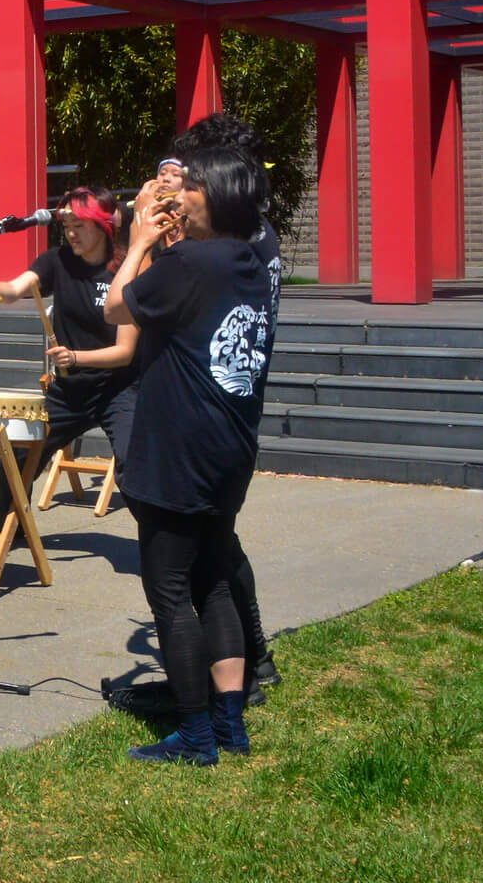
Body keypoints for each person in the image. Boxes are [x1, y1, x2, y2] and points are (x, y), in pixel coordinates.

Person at [104, 145, 274, 765]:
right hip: (228, 449)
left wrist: (139, 239)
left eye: (190, 188)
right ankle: (231, 724)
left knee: (171, 592)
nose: (179, 196)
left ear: (216, 198)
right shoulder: (250, 260)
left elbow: (116, 306)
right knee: (215, 582)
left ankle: (196, 735)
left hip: (177, 450)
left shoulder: (190, 262)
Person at [0, 187, 139, 531]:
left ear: (103, 226)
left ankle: (162, 541)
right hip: (69, 390)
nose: (71, 234)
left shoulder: (125, 269)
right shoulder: (57, 261)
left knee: (134, 464)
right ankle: (10, 527)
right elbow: (16, 288)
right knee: (17, 454)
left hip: (118, 388)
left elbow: (125, 352)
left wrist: (75, 356)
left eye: (80, 226)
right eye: (67, 226)